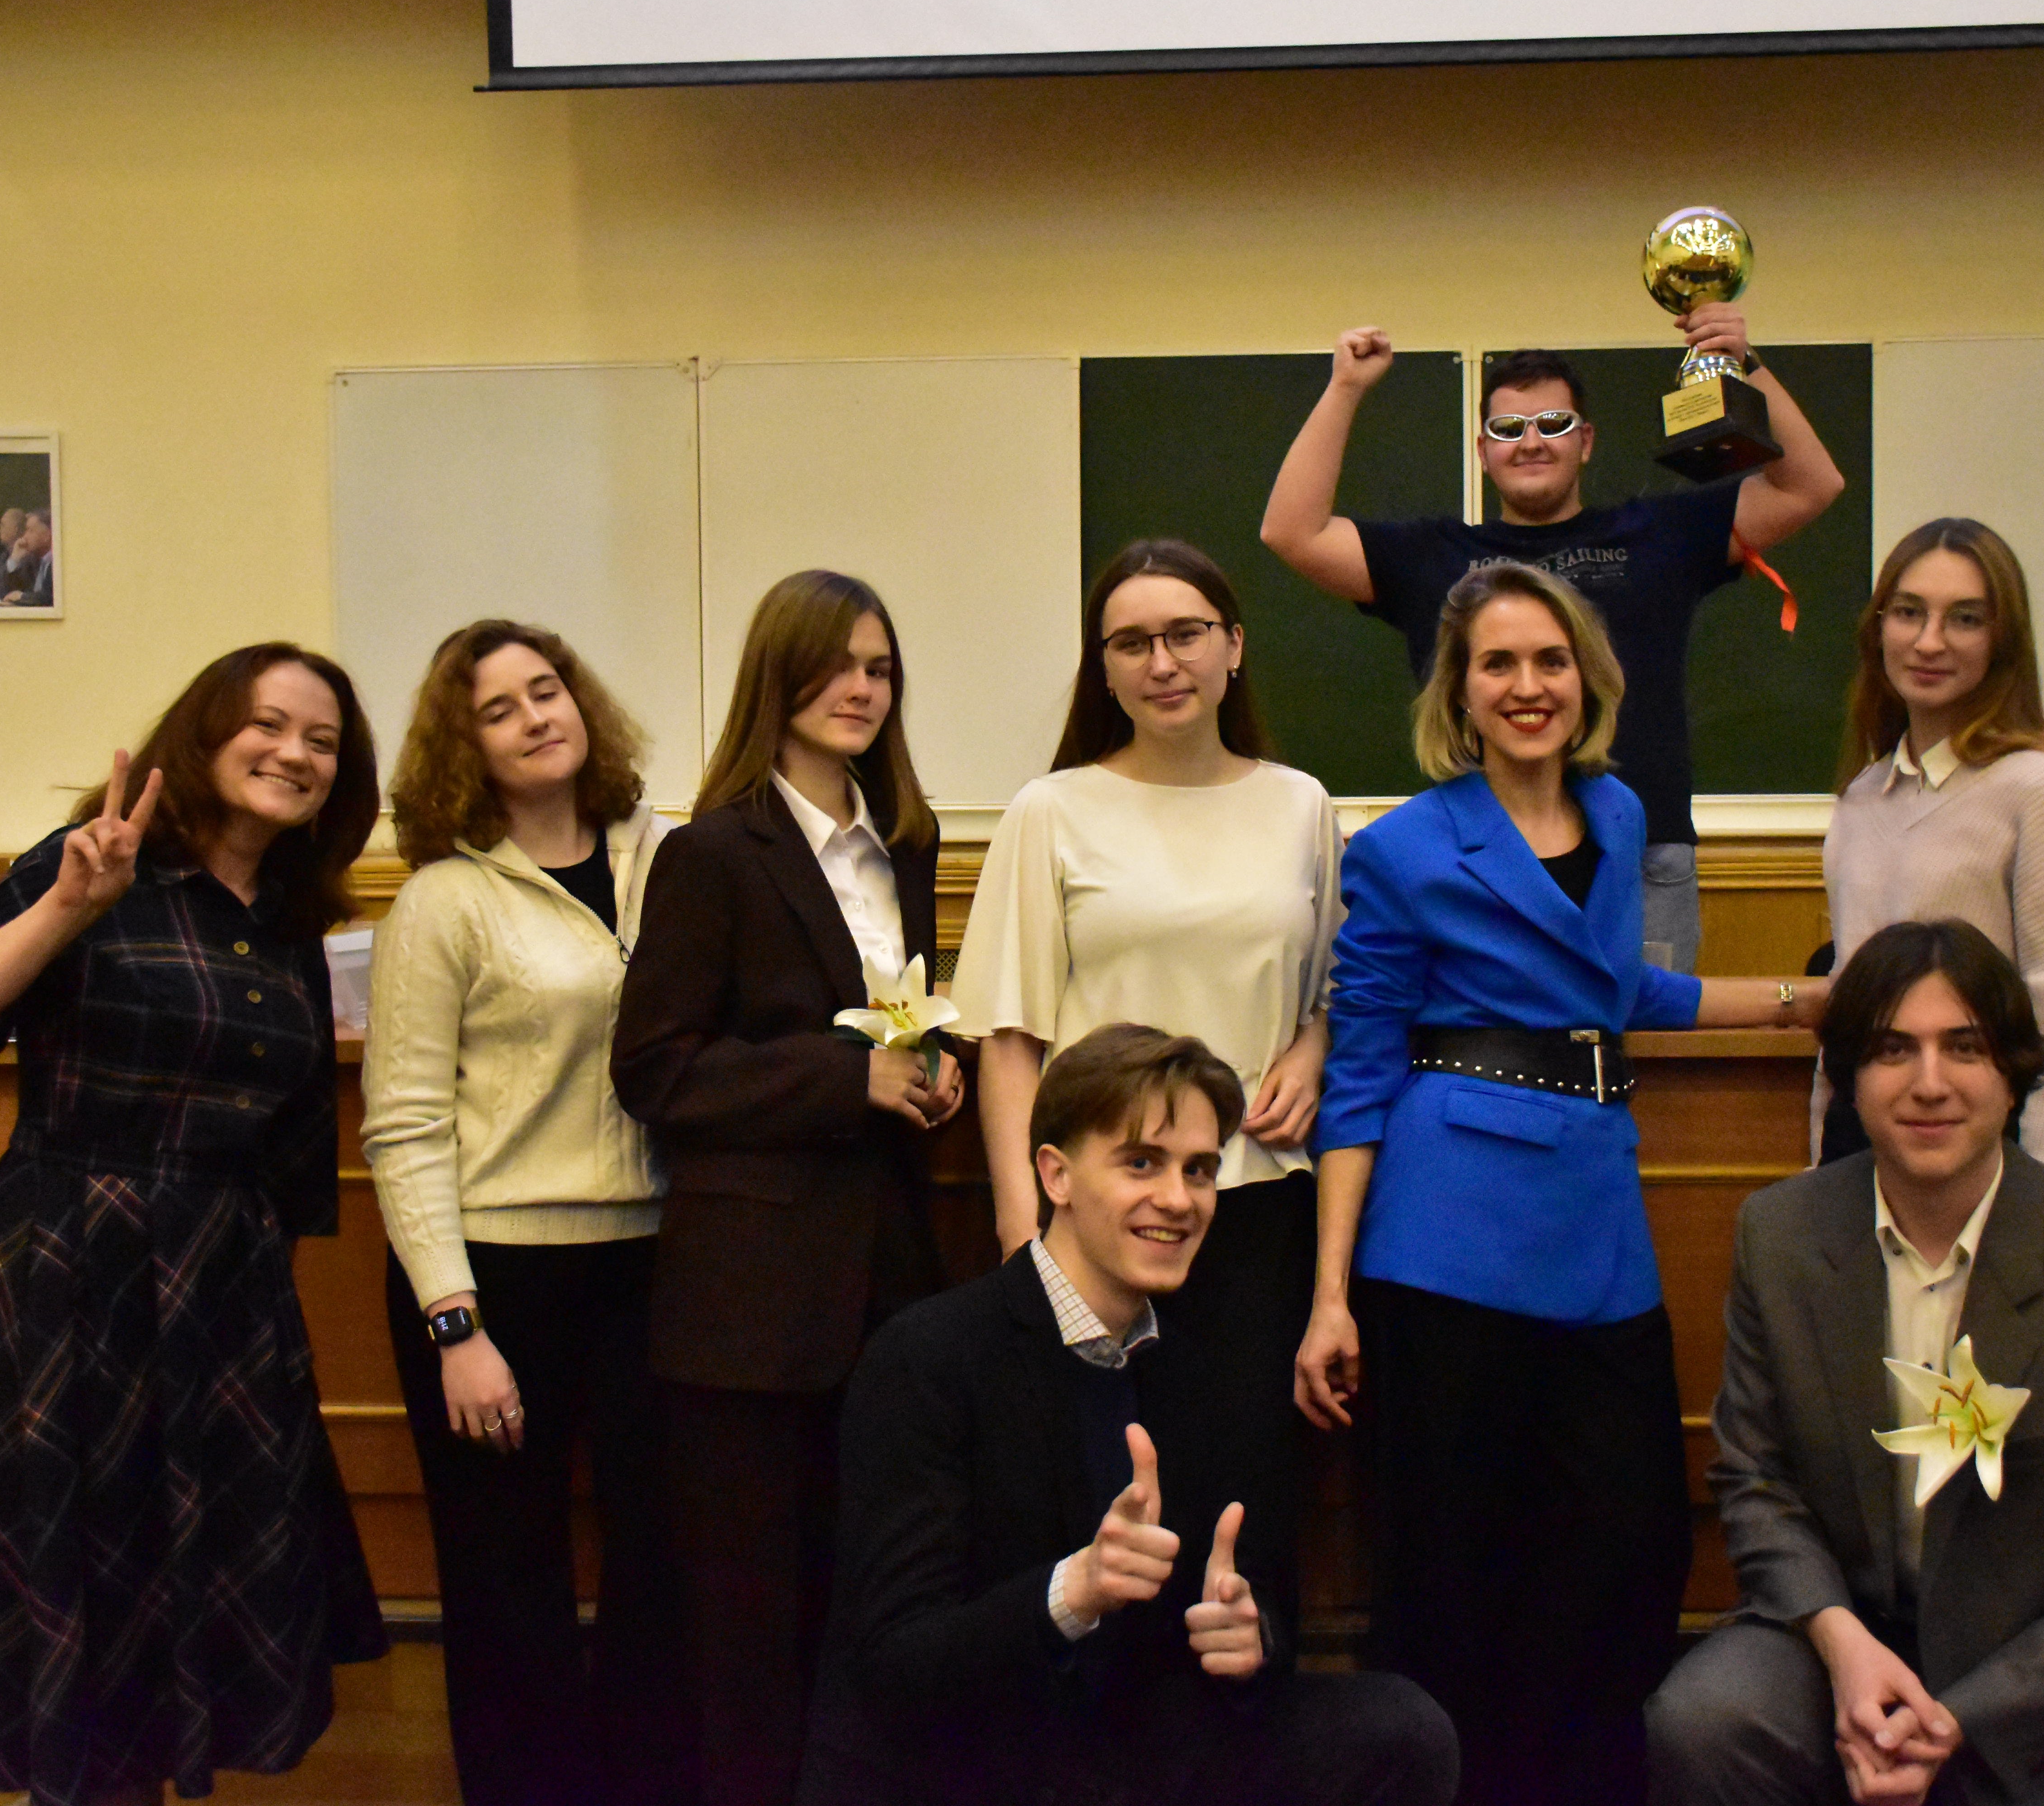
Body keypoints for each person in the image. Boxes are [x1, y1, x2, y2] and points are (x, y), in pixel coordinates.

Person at [1296, 561, 1828, 1806]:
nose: (1528, 686)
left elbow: (1613, 989)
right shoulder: (1404, 849)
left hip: (1596, 1216)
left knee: (1630, 1548)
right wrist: (1330, 1295)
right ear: (1459, 691)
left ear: (1588, 678)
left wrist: (1797, 1000)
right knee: (1458, 1566)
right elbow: (1361, 1071)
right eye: (1499, 664)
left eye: (1550, 661)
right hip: (1447, 1230)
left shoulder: (1620, 813)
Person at [0, 644, 388, 1806]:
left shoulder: (288, 923)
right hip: (65, 1268)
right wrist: (68, 906)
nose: (295, 754)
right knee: (70, 1579)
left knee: (180, 1594)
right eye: (268, 725)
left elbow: (294, 1151)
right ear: (204, 736)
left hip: (221, 1291)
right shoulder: (98, 863)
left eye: (322, 741)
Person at [1647, 919, 2044, 1806]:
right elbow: (1756, 1479)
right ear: (1851, 1076)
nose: (1930, 1083)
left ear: (2014, 1072)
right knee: (1704, 1720)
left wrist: (1960, 1718)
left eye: (1964, 1047)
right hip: (1852, 1633)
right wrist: (1844, 1646)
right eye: (1894, 1050)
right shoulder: (1781, 1237)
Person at [799, 1023, 1460, 1806]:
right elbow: (894, 1667)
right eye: (1141, 1163)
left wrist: (1249, 1640)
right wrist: (1072, 1591)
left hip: (1126, 1750)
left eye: (1200, 1170)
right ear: (1056, 1175)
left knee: (1402, 1730)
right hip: (968, 1759)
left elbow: (1249, 1613)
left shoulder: (1205, 1366)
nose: (1178, 1200)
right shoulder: (929, 1356)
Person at [613, 569, 964, 1806]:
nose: (860, 688)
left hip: (887, 1285)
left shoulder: (906, 845)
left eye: (880, 667)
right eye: (835, 664)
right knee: (747, 1637)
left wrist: (933, 1071)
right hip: (746, 1309)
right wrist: (848, 1078)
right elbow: (656, 1070)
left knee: (869, 1606)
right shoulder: (713, 851)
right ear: (779, 675)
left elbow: (897, 1023)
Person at [953, 536, 1341, 1629]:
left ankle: (1238, 1711)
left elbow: (1333, 989)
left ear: (1234, 647)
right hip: (1100, 1219)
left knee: (1243, 1499)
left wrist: (1312, 1047)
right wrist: (1022, 1225)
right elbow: (1011, 1035)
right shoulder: (1052, 809)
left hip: (1255, 1202)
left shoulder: (1302, 804)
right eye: (1130, 643)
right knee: (1099, 1498)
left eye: (1185, 634)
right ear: (1105, 668)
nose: (1161, 662)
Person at [363, 620, 688, 1804]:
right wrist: (455, 1322)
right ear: (468, 748)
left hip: (654, 1266)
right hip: (493, 1279)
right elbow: (403, 1125)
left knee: (663, 1565)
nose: (536, 717)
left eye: (546, 690)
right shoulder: (443, 902)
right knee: (508, 1587)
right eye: (498, 710)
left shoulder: (673, 857)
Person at [1260, 322, 1845, 973]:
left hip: (1641, 855)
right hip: (1482, 860)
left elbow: (1809, 486)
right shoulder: (1433, 558)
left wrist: (1747, 363)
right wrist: (1345, 388)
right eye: (1509, 429)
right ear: (1483, 451)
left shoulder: (1660, 533)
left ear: (1586, 441)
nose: (1533, 442)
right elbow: (1292, 531)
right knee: (1490, 1030)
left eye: (1554, 424)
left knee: (1647, 1033)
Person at [1820, 518, 2044, 1187]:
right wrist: (1826, 1181)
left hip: (1993, 1157)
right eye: (1908, 613)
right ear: (1878, 629)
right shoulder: (1862, 800)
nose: (1930, 641)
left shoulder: (2041, 791)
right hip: (1870, 1159)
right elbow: (1848, 1024)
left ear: (2002, 641)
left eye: (1965, 619)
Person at [9, 507, 58, 605]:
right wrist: (15, 560)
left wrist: (23, 597)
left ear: (47, 536)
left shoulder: (57, 562)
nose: (25, 537)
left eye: (31, 531)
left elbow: (50, 598)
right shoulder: (33, 560)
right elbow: (10, 591)